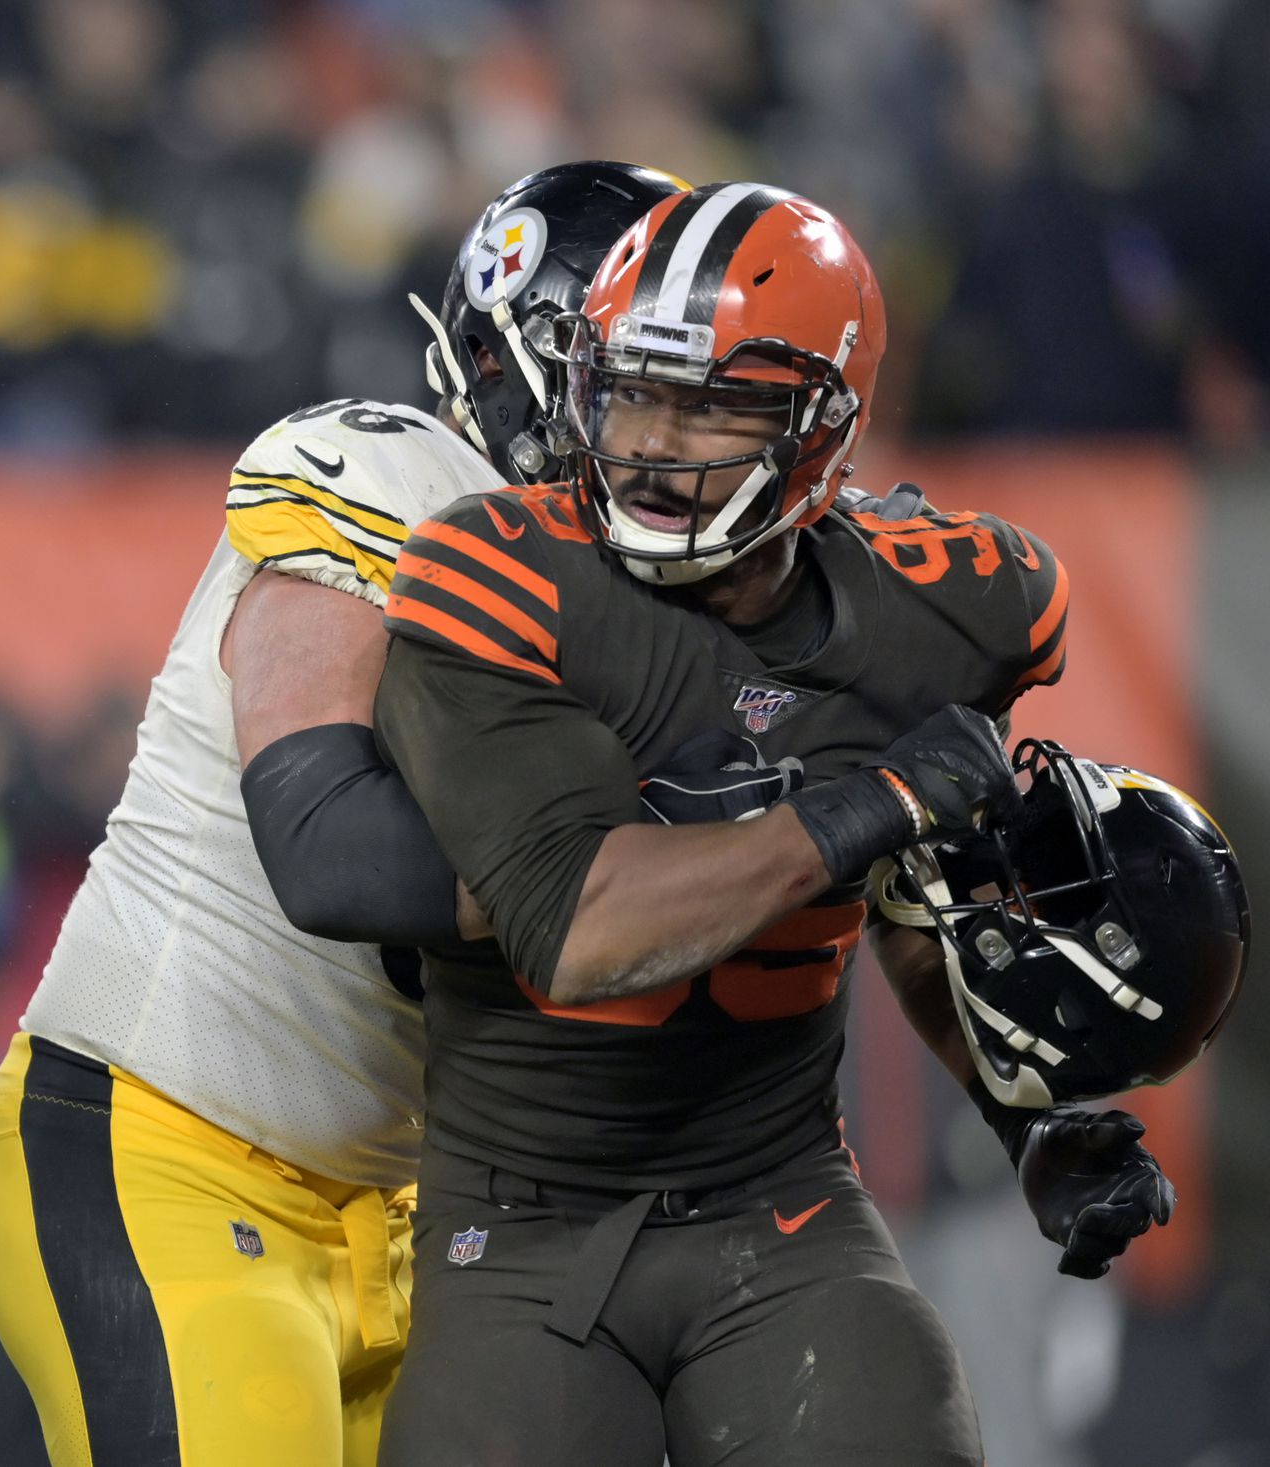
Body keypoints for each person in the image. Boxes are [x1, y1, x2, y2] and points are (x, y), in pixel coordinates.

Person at [367, 181, 1176, 1466]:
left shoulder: (960, 608)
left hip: (782, 1203)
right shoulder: (492, 570)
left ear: (822, 429)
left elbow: (919, 903)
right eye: (633, 390)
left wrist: (1026, 1113)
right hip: (520, 1229)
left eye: (718, 405)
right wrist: (870, 802)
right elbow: (582, 929)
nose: (655, 442)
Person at [0, 163, 685, 1466]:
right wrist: (639, 863)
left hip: (412, 1223)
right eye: (652, 386)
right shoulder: (390, 474)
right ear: (537, 362)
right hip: (167, 1152)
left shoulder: (673, 619)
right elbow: (331, 849)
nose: (681, 435)